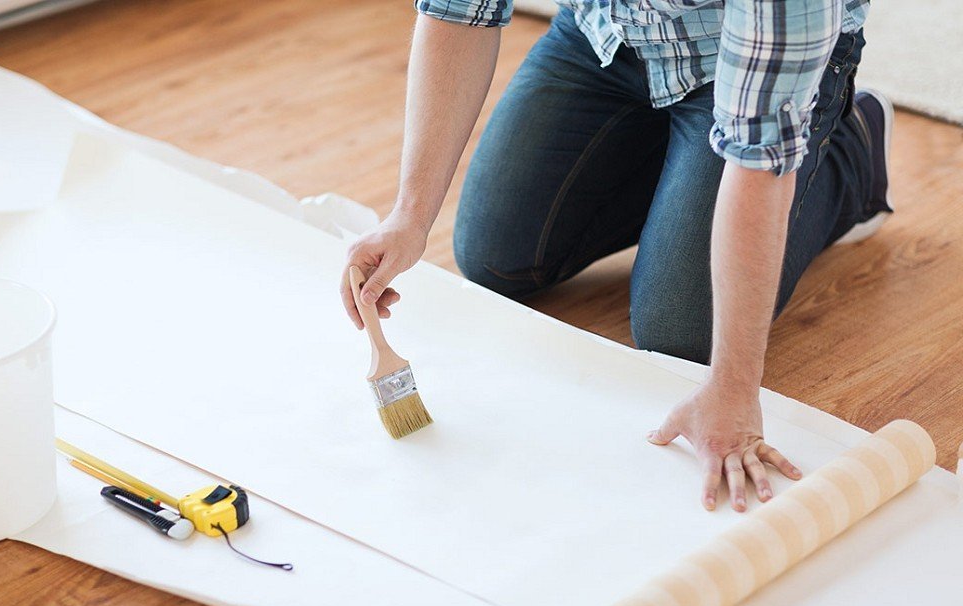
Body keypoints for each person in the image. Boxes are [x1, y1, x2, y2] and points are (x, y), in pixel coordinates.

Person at [339, 1, 894, 512]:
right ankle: (683, 169)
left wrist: (733, 387)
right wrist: (409, 216)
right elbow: (459, 9)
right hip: (606, 34)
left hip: (740, 65)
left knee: (682, 335)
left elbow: (757, 152)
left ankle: (852, 153)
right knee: (496, 258)